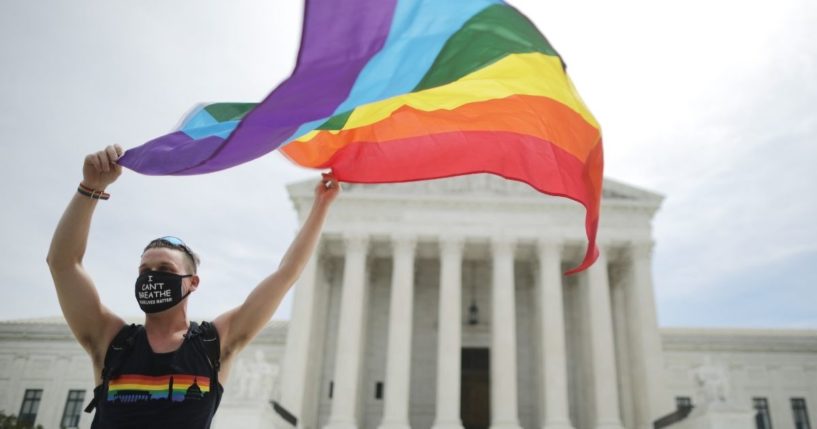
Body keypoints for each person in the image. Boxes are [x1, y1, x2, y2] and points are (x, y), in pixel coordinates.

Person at [46, 144, 339, 428]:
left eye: (165, 269)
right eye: (145, 270)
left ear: (192, 282)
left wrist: (321, 207)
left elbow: (287, 273)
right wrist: (90, 187)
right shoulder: (111, 340)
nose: (152, 276)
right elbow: (63, 264)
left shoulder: (214, 344)